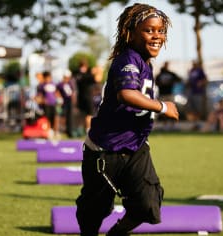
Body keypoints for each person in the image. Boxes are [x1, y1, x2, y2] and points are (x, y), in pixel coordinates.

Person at [75, 4, 179, 236]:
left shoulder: (144, 61)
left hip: (135, 147)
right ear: (129, 33)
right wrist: (162, 106)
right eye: (149, 30)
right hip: (106, 149)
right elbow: (127, 94)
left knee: (148, 204)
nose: (157, 36)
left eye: (160, 31)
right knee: (94, 211)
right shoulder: (127, 60)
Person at [73, 60, 96, 133]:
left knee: (81, 114)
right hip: (88, 97)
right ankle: (87, 129)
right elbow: (96, 79)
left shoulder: (76, 74)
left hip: (80, 97)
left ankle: (80, 130)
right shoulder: (88, 75)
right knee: (89, 114)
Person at [36, 71, 60, 138]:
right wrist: (42, 100)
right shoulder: (42, 85)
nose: (48, 79)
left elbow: (57, 92)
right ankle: (49, 130)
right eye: (47, 78)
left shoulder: (54, 84)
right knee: (48, 118)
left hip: (54, 103)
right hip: (47, 105)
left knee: (55, 117)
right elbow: (39, 95)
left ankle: (56, 131)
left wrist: (58, 99)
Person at [185, 60, 207, 130]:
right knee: (192, 109)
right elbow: (189, 81)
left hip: (198, 93)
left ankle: (198, 124)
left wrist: (201, 83)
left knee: (198, 109)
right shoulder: (191, 71)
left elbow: (205, 80)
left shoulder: (200, 71)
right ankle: (195, 123)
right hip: (191, 92)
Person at [57, 70, 75, 138]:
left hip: (69, 101)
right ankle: (62, 130)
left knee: (69, 117)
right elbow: (57, 91)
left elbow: (72, 93)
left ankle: (69, 131)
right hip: (63, 102)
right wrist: (59, 98)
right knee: (63, 116)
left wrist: (73, 100)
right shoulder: (60, 84)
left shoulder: (70, 83)